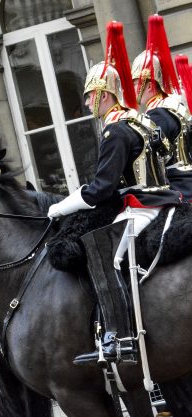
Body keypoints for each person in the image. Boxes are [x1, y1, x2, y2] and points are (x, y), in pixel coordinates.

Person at [47, 21, 182, 364]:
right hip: (160, 197)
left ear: (104, 94)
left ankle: (119, 337)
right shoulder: (139, 120)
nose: (89, 101)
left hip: (141, 204)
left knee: (107, 255)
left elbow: (100, 190)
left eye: (91, 95)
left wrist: (60, 207)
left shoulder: (116, 131)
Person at [132, 14, 192, 201]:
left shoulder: (157, 115)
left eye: (135, 83)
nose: (132, 88)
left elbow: (155, 157)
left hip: (177, 187)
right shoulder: (176, 107)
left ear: (149, 85)